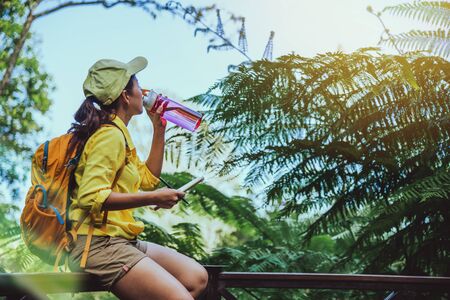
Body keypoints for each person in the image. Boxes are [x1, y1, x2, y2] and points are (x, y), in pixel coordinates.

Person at [67, 56, 208, 300]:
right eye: (137, 83)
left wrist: (159, 129)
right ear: (125, 96)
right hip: (98, 244)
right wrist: (153, 198)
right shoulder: (108, 136)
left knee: (196, 278)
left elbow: (148, 179)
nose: (143, 91)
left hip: (121, 240)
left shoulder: (120, 133)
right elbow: (91, 197)